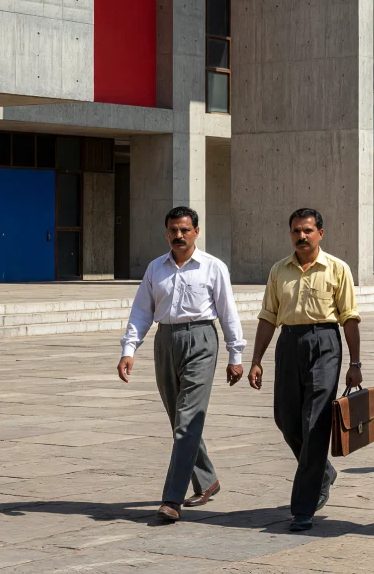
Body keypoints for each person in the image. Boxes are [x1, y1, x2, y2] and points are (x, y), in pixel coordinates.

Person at [117, 206, 245, 522]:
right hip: (165, 341)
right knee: (179, 419)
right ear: (166, 233)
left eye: (185, 230)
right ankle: (207, 480)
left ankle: (172, 499)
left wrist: (236, 355)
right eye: (173, 230)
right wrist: (129, 349)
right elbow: (141, 311)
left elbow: (228, 312)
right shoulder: (155, 268)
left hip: (201, 340)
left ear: (196, 232)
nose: (179, 235)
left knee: (187, 419)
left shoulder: (213, 267)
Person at [247, 208, 362, 532]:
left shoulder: (337, 268)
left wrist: (355, 363)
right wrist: (256, 360)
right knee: (285, 419)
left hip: (325, 344)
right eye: (296, 231)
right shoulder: (279, 270)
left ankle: (303, 507)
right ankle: (322, 471)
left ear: (320, 233)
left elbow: (349, 317)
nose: (302, 236)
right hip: (288, 343)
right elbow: (268, 316)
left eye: (308, 230)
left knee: (315, 422)